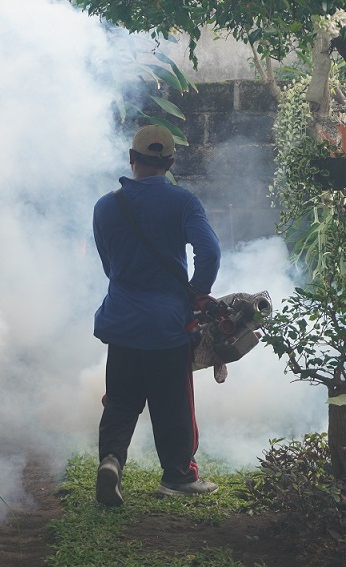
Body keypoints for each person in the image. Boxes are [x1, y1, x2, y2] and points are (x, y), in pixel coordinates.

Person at [92, 124, 222, 506]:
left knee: (120, 400)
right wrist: (197, 292)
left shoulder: (106, 206)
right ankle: (178, 476)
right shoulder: (183, 203)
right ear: (169, 162)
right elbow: (210, 253)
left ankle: (112, 461)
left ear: (132, 159)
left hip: (123, 319)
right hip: (168, 325)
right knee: (173, 403)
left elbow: (108, 263)